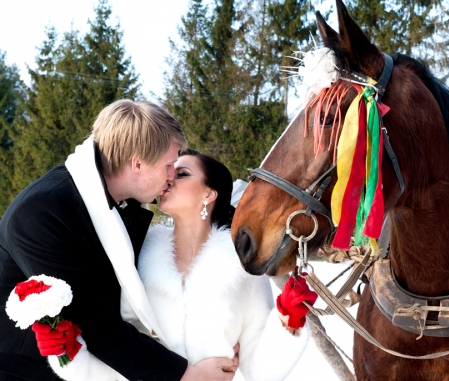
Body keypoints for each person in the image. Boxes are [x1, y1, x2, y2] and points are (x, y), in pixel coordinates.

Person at [0, 100, 238, 381]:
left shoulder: (120, 209)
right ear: (137, 163)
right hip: (25, 373)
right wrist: (186, 375)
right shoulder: (44, 209)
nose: (171, 176)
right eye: (169, 165)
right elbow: (94, 321)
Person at [39, 148, 318, 381]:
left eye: (182, 174)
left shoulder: (241, 271)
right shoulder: (134, 256)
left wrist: (288, 320)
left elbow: (260, 370)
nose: (169, 179)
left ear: (209, 194)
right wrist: (69, 352)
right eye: (170, 170)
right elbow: (118, 356)